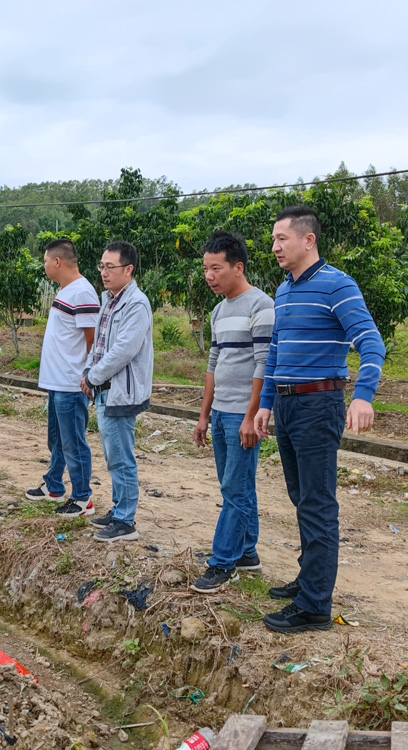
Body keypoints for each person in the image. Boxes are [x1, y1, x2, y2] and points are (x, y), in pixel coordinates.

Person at [254, 206, 385, 633]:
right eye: (273, 239)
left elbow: (371, 342)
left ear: (308, 240)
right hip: (289, 406)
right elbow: (276, 353)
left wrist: (363, 397)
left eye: (281, 239)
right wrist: (267, 404)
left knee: (318, 504)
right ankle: (309, 581)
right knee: (301, 497)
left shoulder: (337, 285)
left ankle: (314, 607)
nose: (274, 247)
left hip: (319, 403)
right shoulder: (285, 290)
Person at [190, 232, 275, 593]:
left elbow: (263, 364)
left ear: (238, 267)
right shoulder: (219, 310)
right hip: (221, 413)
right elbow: (214, 363)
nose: (209, 276)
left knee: (234, 489)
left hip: (244, 414)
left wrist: (250, 415)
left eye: (216, 268)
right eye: (206, 269)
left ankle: (223, 563)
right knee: (239, 487)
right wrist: (204, 415)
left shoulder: (261, 306)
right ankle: (248, 552)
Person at [80, 241, 153, 542]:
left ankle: (126, 521)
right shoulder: (109, 300)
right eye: (102, 266)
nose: (104, 272)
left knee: (122, 456)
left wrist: (94, 376)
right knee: (113, 454)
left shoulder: (136, 304)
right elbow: (99, 345)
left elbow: (124, 350)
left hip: (121, 391)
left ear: (129, 270)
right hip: (105, 389)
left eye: (110, 267)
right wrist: (88, 371)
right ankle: (119, 509)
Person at [25, 239, 100, 518]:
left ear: (57, 262)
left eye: (45, 261)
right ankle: (54, 486)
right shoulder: (67, 291)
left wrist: (90, 378)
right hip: (57, 382)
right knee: (57, 440)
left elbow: (93, 341)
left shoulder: (83, 292)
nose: (44, 266)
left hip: (71, 383)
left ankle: (82, 499)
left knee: (74, 443)